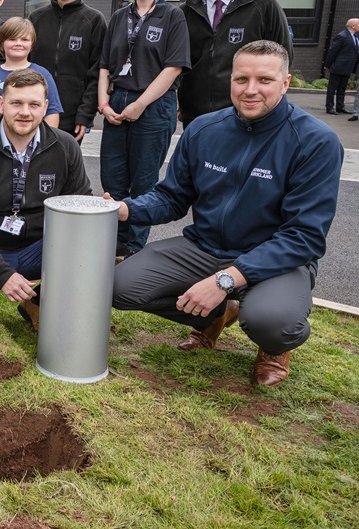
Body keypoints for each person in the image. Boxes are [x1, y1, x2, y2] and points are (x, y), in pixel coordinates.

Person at [109, 41, 343, 387]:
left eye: (264, 80)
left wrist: (226, 279)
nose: (250, 90)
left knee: (273, 321)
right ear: (230, 80)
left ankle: (272, 347)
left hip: (276, 261)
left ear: (286, 82)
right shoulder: (203, 130)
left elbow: (303, 236)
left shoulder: (316, 142)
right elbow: (172, 197)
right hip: (205, 249)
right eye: (241, 79)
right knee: (116, 286)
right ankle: (217, 315)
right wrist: (127, 209)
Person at [0, 69, 92, 333]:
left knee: (88, 258)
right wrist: (3, 275)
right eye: (16, 103)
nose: (25, 112)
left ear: (45, 107)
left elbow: (78, 206)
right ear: (1, 104)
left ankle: (36, 304)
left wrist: (99, 212)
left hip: (41, 246)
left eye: (34, 104)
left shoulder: (66, 147)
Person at [99, 0, 190, 258]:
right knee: (113, 177)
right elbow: (103, 66)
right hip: (117, 101)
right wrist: (103, 103)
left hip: (153, 104)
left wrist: (141, 104)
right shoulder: (118, 17)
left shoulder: (173, 16)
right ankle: (113, 243)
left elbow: (174, 67)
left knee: (143, 181)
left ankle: (132, 249)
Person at [180, 0, 292, 125]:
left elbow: (283, 59)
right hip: (195, 117)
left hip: (247, 116)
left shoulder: (265, 7)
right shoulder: (185, 12)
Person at [28, 0, 107, 143]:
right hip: (34, 111)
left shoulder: (94, 20)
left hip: (72, 116)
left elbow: (96, 72)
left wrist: (85, 114)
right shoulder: (35, 18)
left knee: (62, 169)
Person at [0, 17, 64, 129]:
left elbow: (52, 112)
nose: (18, 43)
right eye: (12, 39)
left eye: (24, 40)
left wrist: (46, 144)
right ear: (2, 43)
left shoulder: (43, 74)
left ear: (32, 44)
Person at [324, 18, 359, 116]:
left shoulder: (355, 37)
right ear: (353, 26)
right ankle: (329, 107)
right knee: (332, 88)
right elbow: (332, 51)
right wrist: (327, 65)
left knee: (342, 88)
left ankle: (340, 106)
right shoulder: (342, 36)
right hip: (338, 66)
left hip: (348, 67)